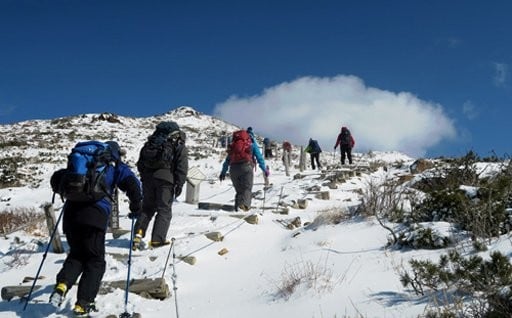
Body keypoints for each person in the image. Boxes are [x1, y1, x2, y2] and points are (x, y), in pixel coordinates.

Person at [49, 141, 142, 317]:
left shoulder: (82, 164)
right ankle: (84, 303)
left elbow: (56, 179)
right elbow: (133, 185)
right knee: (95, 260)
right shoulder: (114, 166)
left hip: (70, 216)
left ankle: (62, 285)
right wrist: (136, 208)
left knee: (77, 255)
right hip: (94, 217)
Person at [133, 121, 189, 250]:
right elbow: (182, 165)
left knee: (147, 208)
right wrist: (179, 183)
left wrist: (145, 178)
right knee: (164, 209)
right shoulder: (177, 143)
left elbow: (140, 164)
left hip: (147, 180)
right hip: (166, 180)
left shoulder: (150, 144)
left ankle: (138, 234)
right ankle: (157, 240)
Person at [219, 127, 268, 212]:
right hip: (246, 167)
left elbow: (227, 160)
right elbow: (259, 157)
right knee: (246, 189)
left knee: (239, 191)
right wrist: (264, 170)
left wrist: (223, 172)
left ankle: (237, 210)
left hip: (233, 169)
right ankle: (243, 210)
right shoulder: (251, 143)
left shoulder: (235, 144)